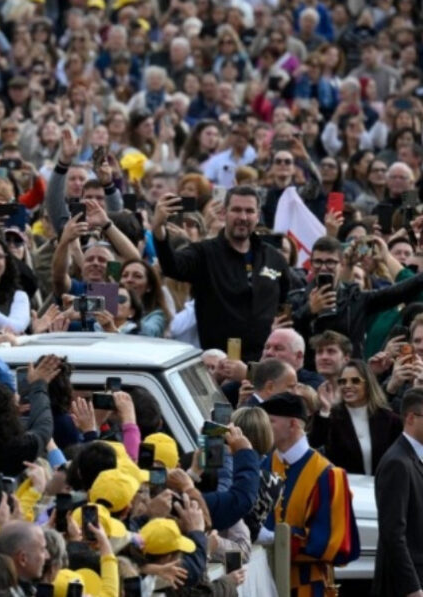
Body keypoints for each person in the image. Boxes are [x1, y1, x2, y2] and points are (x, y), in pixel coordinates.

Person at [152, 187, 290, 361]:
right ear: (224, 213)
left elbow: (286, 300)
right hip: (219, 367)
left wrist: (279, 326)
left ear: (258, 215)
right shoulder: (204, 253)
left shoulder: (273, 258)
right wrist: (158, 230)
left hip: (265, 364)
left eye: (249, 211)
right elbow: (172, 266)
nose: (243, 217)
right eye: (236, 210)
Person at [260, 392, 360, 596]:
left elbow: (331, 541)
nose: (264, 428)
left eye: (271, 421)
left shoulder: (327, 475)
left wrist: (275, 538)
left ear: (293, 424)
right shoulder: (265, 465)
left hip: (307, 586)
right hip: (264, 579)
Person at [309, 359, 402, 475]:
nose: (347, 386)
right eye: (342, 382)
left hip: (382, 487)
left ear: (368, 384)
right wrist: (325, 408)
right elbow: (314, 444)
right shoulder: (331, 417)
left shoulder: (390, 420)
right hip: (344, 488)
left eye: (355, 381)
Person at [372, 387, 423, 597]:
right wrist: (412, 587)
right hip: (404, 586)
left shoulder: (412, 458)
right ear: (411, 418)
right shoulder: (397, 463)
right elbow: (393, 533)